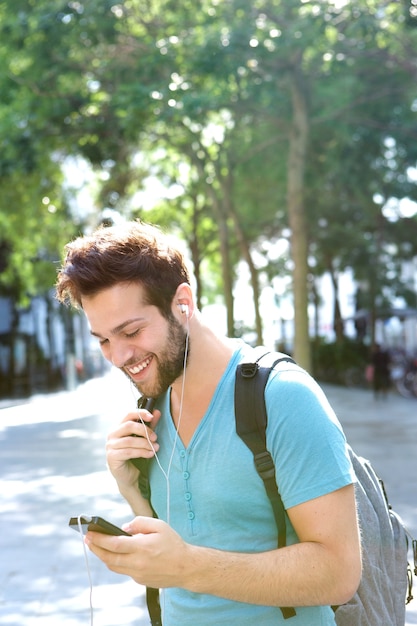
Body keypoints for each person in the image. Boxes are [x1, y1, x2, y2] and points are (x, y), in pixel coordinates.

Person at [56, 220, 361, 626]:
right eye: (104, 339)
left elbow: (339, 573)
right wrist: (130, 486)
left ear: (182, 304)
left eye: (131, 331)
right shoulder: (153, 407)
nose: (118, 356)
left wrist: (188, 568)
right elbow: (180, 550)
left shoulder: (284, 397)